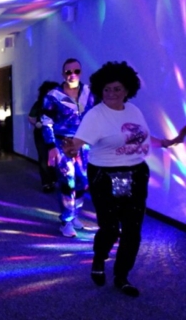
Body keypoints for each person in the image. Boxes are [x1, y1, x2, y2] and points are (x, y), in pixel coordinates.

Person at [64, 61, 173, 297]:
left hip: (136, 174)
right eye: (106, 89)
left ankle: (122, 276)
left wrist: (166, 142)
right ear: (100, 89)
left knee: (133, 230)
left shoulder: (134, 111)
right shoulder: (96, 115)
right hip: (105, 175)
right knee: (111, 228)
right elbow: (78, 142)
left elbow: (141, 138)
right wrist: (70, 148)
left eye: (116, 89)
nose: (111, 93)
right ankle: (99, 259)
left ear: (127, 90)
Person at [41, 58, 96, 237]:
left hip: (84, 144)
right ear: (63, 74)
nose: (72, 74)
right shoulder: (53, 96)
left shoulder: (89, 92)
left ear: (81, 72)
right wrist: (51, 146)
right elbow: (46, 121)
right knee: (67, 181)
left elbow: (97, 117)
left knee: (83, 181)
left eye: (76, 71)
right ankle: (66, 220)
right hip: (62, 144)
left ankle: (74, 215)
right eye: (68, 71)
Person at [28, 81, 60, 192]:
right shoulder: (39, 104)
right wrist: (38, 124)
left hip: (56, 134)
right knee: (43, 157)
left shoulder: (60, 103)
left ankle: (54, 179)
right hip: (41, 133)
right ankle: (47, 182)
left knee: (56, 157)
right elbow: (30, 117)